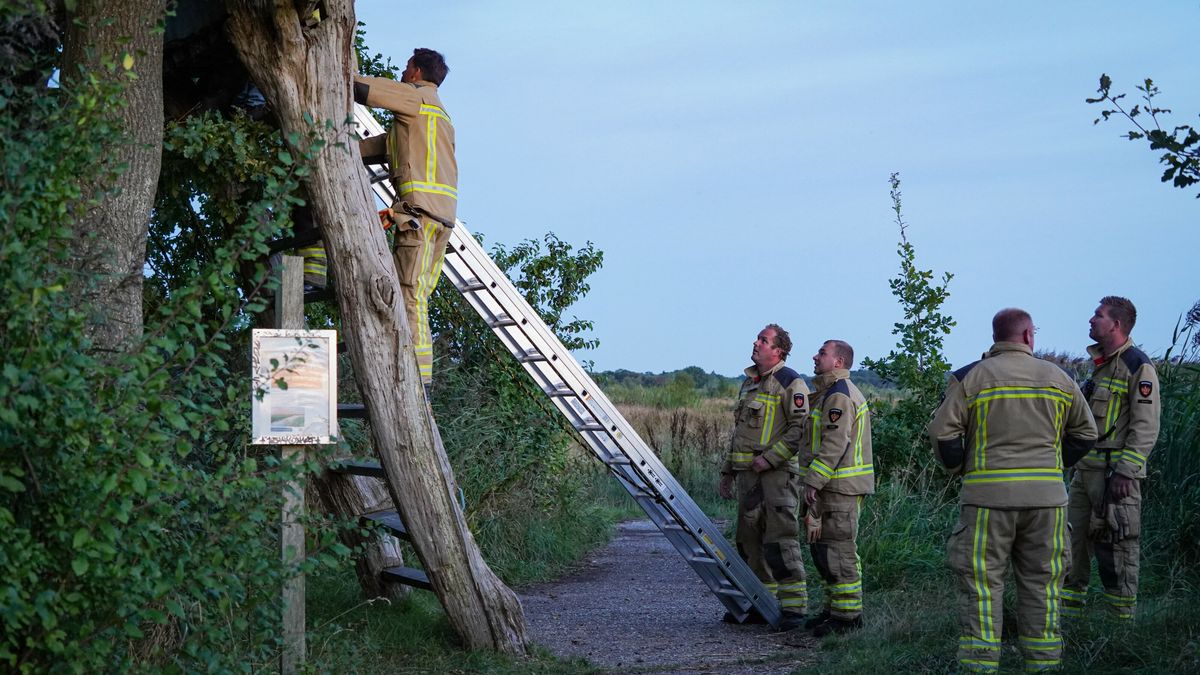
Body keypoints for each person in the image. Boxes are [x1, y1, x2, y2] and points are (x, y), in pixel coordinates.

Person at [928, 308, 1097, 673]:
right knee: (1043, 584)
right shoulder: (1060, 378)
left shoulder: (971, 377)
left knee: (981, 584)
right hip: (1048, 504)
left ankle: (980, 665)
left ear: (996, 337)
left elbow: (943, 434)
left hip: (986, 502)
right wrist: (1054, 467)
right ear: (1027, 336)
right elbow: (1086, 434)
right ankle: (1043, 663)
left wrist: (961, 468)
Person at [354, 48, 457, 385]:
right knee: (417, 296)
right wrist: (347, 149)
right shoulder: (436, 115)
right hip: (439, 220)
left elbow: (362, 88)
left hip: (419, 217)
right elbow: (390, 145)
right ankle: (415, 377)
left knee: (410, 297)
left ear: (417, 73)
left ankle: (418, 382)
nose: (402, 72)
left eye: (406, 67)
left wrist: (340, 70)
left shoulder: (414, 96)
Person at [1063, 297, 1161, 620]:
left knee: (1117, 549)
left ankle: (1119, 624)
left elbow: (1146, 427)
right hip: (1084, 473)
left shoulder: (1138, 366)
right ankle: (1070, 617)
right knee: (1071, 544)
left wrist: (1125, 472)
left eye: (1099, 315)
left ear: (1116, 325)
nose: (1091, 320)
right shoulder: (1100, 365)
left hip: (1115, 478)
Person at [718, 324, 811, 630]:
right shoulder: (750, 383)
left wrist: (769, 458)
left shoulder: (791, 382)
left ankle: (794, 609)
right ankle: (761, 604)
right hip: (748, 478)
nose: (756, 343)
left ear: (778, 351)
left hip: (777, 478)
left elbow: (800, 429)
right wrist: (728, 471)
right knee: (749, 541)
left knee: (780, 540)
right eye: (757, 338)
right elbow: (740, 433)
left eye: (764, 340)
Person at [799, 340, 873, 637]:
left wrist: (813, 481)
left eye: (822, 353)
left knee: (839, 551)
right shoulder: (829, 393)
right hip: (832, 486)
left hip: (840, 488)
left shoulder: (839, 395)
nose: (815, 356)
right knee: (824, 550)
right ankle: (832, 611)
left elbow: (834, 444)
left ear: (838, 362)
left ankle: (847, 618)